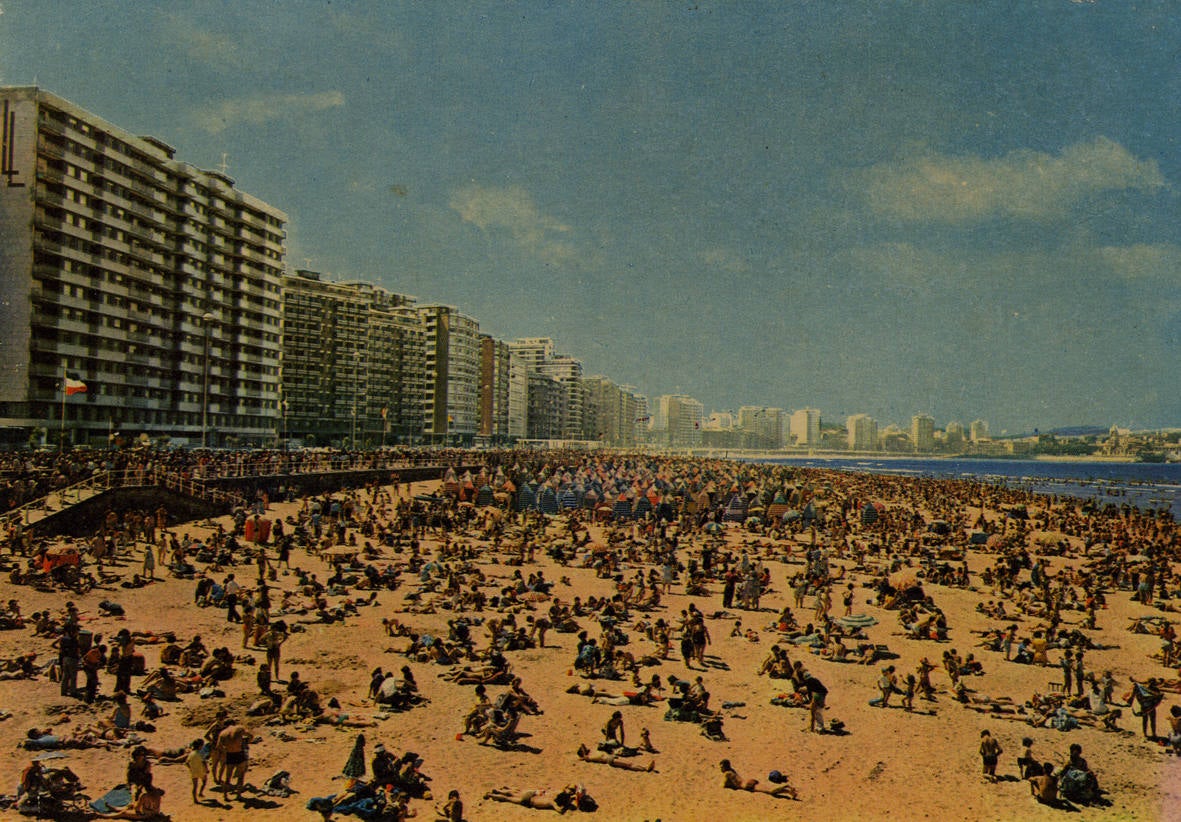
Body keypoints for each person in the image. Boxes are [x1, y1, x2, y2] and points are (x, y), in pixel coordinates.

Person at [719, 759, 797, 799]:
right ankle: (788, 792)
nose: (721, 769)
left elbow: (723, 785)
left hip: (747, 785)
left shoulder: (727, 774)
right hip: (750, 780)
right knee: (769, 789)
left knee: (770, 791)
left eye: (721, 767)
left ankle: (786, 786)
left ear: (725, 767)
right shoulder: (732, 770)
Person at [576, 743, 655, 772]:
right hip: (610, 760)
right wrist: (582, 755)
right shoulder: (588, 757)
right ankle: (645, 768)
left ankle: (644, 767)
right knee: (629, 765)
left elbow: (582, 745)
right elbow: (583, 753)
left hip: (611, 757)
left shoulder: (591, 753)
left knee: (628, 764)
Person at [185, 738, 207, 803]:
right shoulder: (201, 754)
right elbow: (204, 762)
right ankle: (200, 792)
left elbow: (186, 762)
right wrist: (207, 769)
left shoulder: (191, 753)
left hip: (194, 771)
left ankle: (195, 800)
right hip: (201, 770)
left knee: (195, 786)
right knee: (204, 782)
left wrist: (190, 768)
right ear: (200, 746)